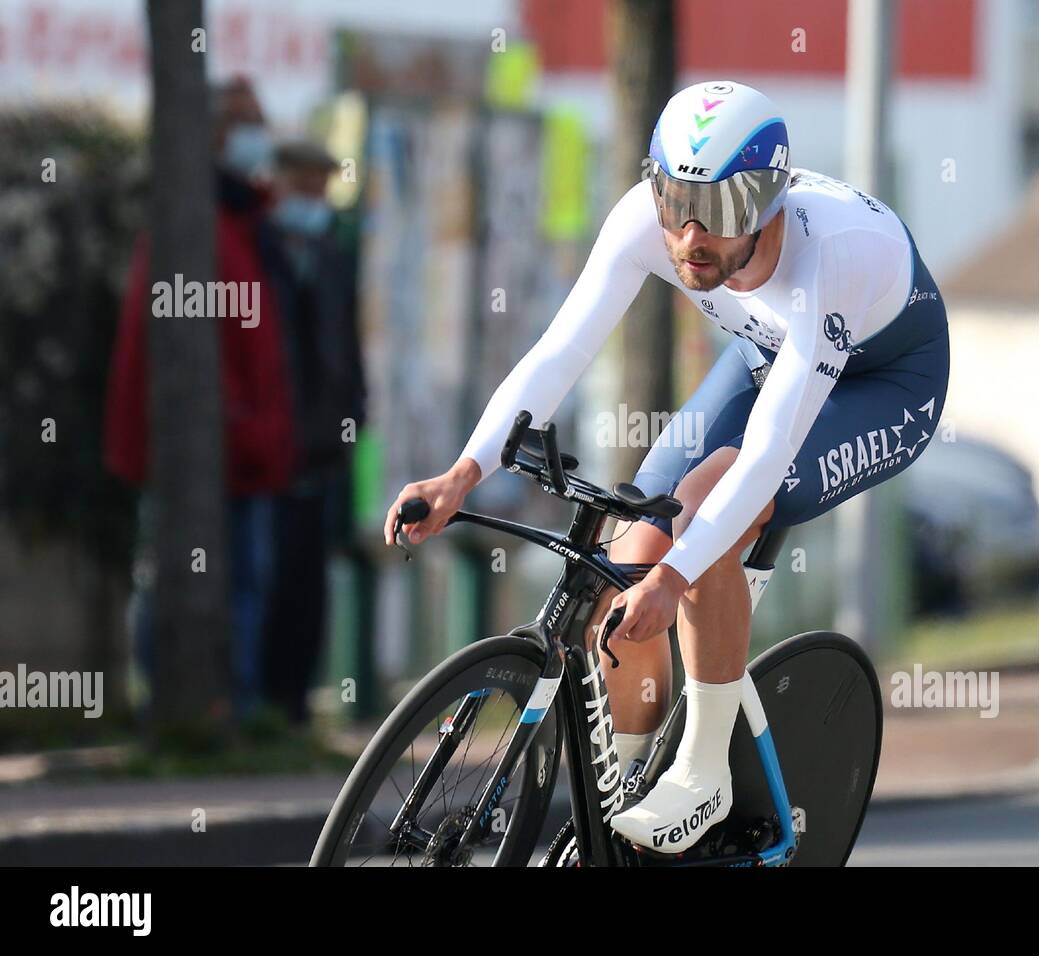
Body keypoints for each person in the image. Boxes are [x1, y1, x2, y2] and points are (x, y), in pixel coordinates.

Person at [384, 81, 950, 852]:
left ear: (764, 206)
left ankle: (704, 772)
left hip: (885, 384)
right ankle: (636, 781)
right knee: (636, 550)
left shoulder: (833, 258)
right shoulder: (649, 222)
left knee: (702, 510)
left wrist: (680, 577)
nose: (689, 236)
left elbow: (766, 455)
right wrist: (463, 474)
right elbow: (562, 350)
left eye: (716, 213)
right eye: (674, 200)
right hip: (766, 355)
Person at [105, 77, 296, 720]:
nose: (258, 137)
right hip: (218, 454)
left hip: (242, 452)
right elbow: (183, 354)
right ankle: (195, 711)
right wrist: (240, 429)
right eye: (248, 122)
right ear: (215, 133)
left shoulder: (240, 221)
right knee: (202, 584)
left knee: (240, 585)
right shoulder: (198, 225)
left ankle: (222, 709)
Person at [260, 139, 366, 725]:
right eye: (303, 185)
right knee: (266, 575)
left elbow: (345, 347)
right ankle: (261, 703)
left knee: (308, 580)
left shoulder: (328, 253)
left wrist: (354, 419)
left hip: (323, 447)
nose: (313, 198)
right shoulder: (259, 247)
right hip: (271, 447)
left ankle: (295, 704)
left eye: (321, 186)